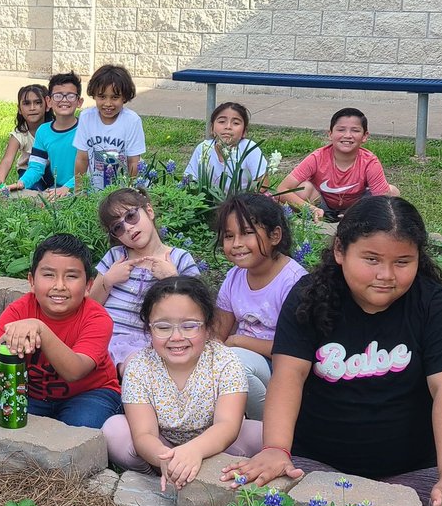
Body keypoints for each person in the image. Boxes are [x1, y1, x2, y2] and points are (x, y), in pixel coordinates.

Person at [224, 196, 442, 506]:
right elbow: (288, 375)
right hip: (315, 461)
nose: (386, 274)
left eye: (403, 262)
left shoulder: (436, 307)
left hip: (412, 470)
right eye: (371, 259)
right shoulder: (309, 297)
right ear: (340, 251)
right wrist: (276, 447)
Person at [102, 276, 262, 489]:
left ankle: (212, 471)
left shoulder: (225, 360)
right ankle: (156, 475)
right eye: (163, 327)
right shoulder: (139, 367)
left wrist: (194, 451)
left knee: (261, 433)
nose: (176, 336)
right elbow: (144, 434)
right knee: (115, 430)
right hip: (163, 445)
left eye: (189, 326)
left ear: (207, 327)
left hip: (217, 444)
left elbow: (227, 425)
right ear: (149, 329)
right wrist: (166, 459)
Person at [0, 234, 121, 429]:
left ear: (88, 285)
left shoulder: (97, 318)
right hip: (33, 394)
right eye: (48, 275)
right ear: (32, 281)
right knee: (6, 424)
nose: (59, 286)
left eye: (71, 276)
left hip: (91, 393)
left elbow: (75, 371)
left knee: (80, 426)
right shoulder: (19, 311)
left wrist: (41, 329)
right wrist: (9, 336)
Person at [212, 194, 307, 419]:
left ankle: (270, 425)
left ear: (275, 235)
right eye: (228, 236)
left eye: (247, 233)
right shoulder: (234, 277)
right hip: (241, 362)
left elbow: (295, 349)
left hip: (281, 369)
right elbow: (217, 334)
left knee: (236, 364)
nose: (236, 244)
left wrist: (238, 341)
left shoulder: (293, 282)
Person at [89, 188, 201, 377]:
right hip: (108, 336)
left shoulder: (179, 259)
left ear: (149, 211)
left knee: (137, 367)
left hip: (152, 341)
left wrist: (172, 279)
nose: (128, 228)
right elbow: (91, 304)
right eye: (118, 227)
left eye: (131, 216)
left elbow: (197, 308)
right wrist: (108, 281)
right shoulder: (116, 258)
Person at [276, 107, 400, 223]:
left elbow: (382, 200)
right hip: (321, 205)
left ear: (365, 136)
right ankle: (305, 224)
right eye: (341, 130)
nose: (347, 135)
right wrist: (311, 209)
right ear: (330, 134)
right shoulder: (317, 157)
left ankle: (358, 221)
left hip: (356, 206)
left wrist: (357, 213)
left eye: (355, 130)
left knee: (392, 192)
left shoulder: (370, 162)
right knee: (302, 189)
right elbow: (282, 189)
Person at [5, 72, 82, 195]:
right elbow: (36, 167)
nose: (64, 100)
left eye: (70, 96)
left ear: (79, 102)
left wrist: (67, 187)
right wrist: (21, 183)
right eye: (58, 96)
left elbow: (90, 170)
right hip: (56, 189)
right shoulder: (44, 131)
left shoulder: (86, 129)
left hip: (83, 189)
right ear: (49, 101)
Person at [74, 64, 146, 190]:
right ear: (94, 95)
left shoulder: (132, 121)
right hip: (93, 188)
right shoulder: (86, 117)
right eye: (102, 97)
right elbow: (82, 158)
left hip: (122, 190)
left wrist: (130, 191)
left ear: (124, 97)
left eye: (115, 97)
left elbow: (134, 161)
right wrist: (79, 190)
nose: (108, 103)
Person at [183, 102, 268, 192]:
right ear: (212, 129)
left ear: (244, 132)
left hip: (244, 203)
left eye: (235, 123)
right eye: (222, 122)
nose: (228, 127)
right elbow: (189, 181)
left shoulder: (250, 149)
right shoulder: (203, 148)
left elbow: (262, 186)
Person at [0, 84, 51, 186]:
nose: (32, 108)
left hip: (52, 170)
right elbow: (7, 160)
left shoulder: (55, 128)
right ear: (19, 109)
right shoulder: (20, 133)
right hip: (28, 171)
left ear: (47, 106)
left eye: (37, 103)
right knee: (33, 191)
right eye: (26, 103)